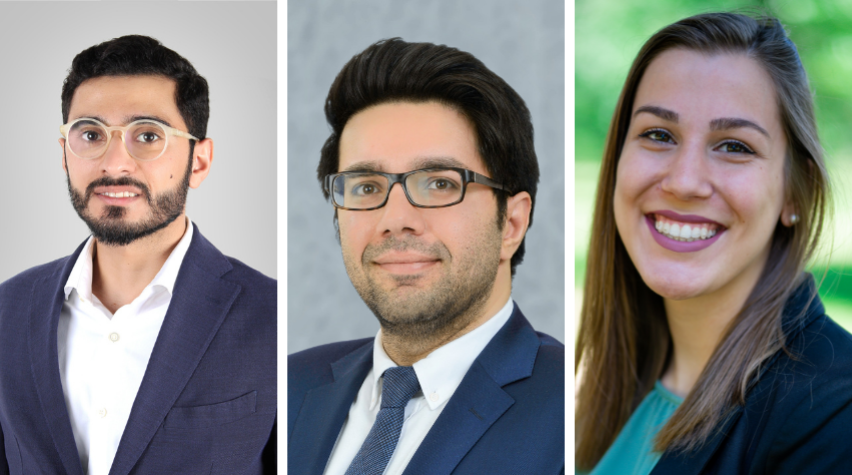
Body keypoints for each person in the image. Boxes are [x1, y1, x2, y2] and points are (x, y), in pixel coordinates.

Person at [575, 12, 852, 474]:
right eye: (658, 135)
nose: (684, 182)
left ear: (794, 192)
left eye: (734, 146)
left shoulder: (834, 414)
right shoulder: (617, 383)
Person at [0, 35, 276, 474]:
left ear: (199, 162)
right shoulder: (8, 310)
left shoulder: (272, 318)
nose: (114, 163)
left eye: (147, 135)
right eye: (90, 134)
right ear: (65, 156)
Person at [288, 38, 564, 474]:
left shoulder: (573, 410)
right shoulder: (285, 387)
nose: (395, 219)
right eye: (366, 187)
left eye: (439, 183)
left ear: (511, 223)